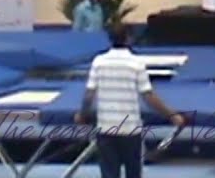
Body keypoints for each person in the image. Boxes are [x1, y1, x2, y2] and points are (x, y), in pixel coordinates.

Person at [76, 23, 184, 178]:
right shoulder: (136, 63)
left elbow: (89, 94)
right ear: (129, 39)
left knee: (109, 174)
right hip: (130, 128)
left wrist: (82, 114)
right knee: (133, 173)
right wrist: (171, 115)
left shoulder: (99, 62)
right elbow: (148, 96)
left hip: (106, 128)